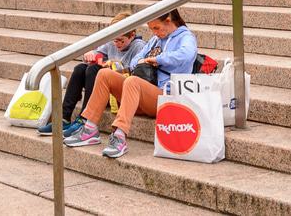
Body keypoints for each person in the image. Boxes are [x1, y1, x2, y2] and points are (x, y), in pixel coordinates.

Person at [65, 9, 198, 158]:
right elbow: (136, 60)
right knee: (104, 74)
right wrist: (144, 60)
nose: (154, 33)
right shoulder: (156, 39)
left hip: (165, 96)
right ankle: (90, 128)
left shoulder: (186, 37)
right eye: (152, 29)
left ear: (168, 20)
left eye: (156, 28)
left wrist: (157, 59)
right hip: (141, 93)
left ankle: (119, 136)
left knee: (132, 81)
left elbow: (187, 54)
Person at [37, 11, 147, 136]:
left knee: (93, 69)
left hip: (120, 93)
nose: (116, 44)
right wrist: (91, 54)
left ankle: (84, 119)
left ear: (132, 35)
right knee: (80, 68)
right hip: (103, 90)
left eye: (120, 41)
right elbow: (98, 53)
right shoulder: (111, 43)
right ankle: (64, 118)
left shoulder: (139, 47)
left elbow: (136, 74)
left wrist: (111, 66)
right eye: (114, 40)